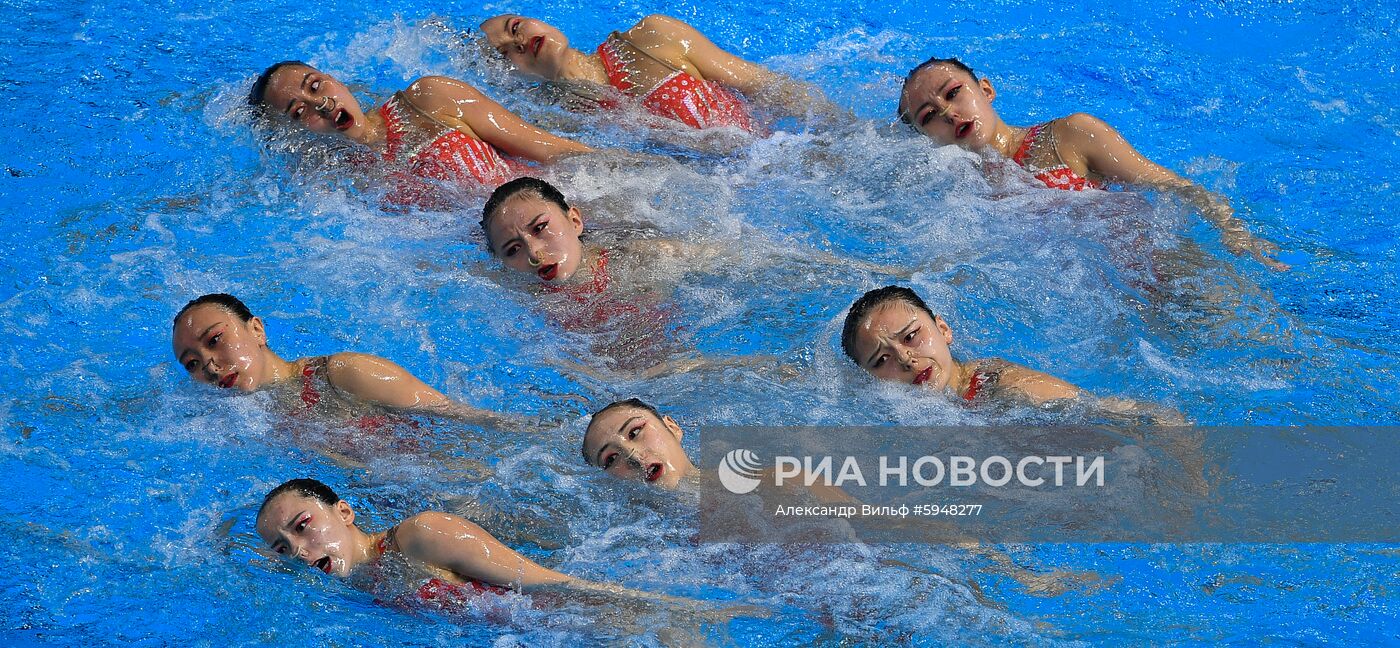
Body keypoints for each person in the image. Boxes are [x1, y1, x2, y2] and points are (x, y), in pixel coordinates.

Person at [897, 57, 1285, 270]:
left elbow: (1174, 185)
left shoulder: (1069, 136)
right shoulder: (959, 192)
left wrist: (1232, 229)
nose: (948, 113)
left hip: (1167, 266)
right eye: (929, 115)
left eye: (953, 93)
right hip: (1115, 305)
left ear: (986, 90)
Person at [247, 61, 593, 206]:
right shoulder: (338, 188)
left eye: (316, 85)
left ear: (336, 79)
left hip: (564, 207)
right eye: (299, 111)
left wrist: (636, 167)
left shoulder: (429, 99)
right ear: (293, 135)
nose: (320, 103)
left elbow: (553, 150)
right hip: (513, 261)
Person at [171, 293, 516, 429]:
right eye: (192, 364)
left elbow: (460, 417)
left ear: (257, 330)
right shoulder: (255, 428)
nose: (210, 366)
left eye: (215, 340)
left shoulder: (342, 374)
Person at [841, 286, 1185, 422]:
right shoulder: (894, 413)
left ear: (943, 330)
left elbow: (1153, 419)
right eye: (881, 360)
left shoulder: (1002, 387)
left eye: (912, 336)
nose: (905, 359)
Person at [479, 14, 839, 132]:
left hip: (782, 153)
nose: (520, 42)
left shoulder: (652, 37)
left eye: (514, 27)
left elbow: (767, 86)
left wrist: (838, 128)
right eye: (505, 53)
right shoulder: (556, 120)